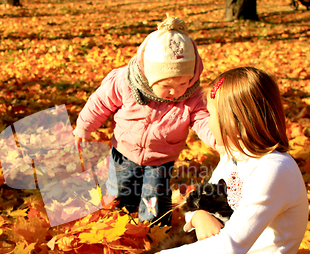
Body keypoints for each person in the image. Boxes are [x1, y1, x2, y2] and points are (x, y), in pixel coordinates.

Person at [13, 67, 309, 254]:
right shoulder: (235, 156)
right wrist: (198, 216)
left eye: (213, 116)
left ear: (235, 120)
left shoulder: (275, 169)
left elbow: (231, 246)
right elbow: (200, 201)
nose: (208, 122)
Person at [73, 15, 215, 226]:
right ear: (149, 75)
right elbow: (100, 102)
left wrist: (217, 140)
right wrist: (84, 127)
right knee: (120, 191)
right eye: (166, 85)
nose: (174, 91)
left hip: (160, 159)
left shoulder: (192, 96)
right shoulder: (126, 82)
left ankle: (151, 229)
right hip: (124, 151)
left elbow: (202, 120)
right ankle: (122, 223)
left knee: (153, 199)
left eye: (183, 82)